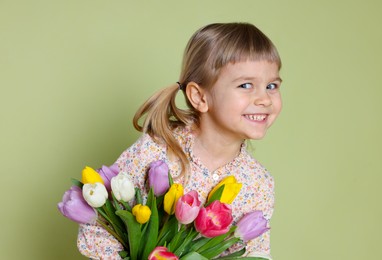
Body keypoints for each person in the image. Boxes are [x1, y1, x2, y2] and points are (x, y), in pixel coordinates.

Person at [78, 22, 282, 259]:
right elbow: (99, 223)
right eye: (246, 85)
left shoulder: (258, 184)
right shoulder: (155, 153)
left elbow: (254, 254)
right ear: (199, 96)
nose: (265, 99)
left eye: (271, 86)